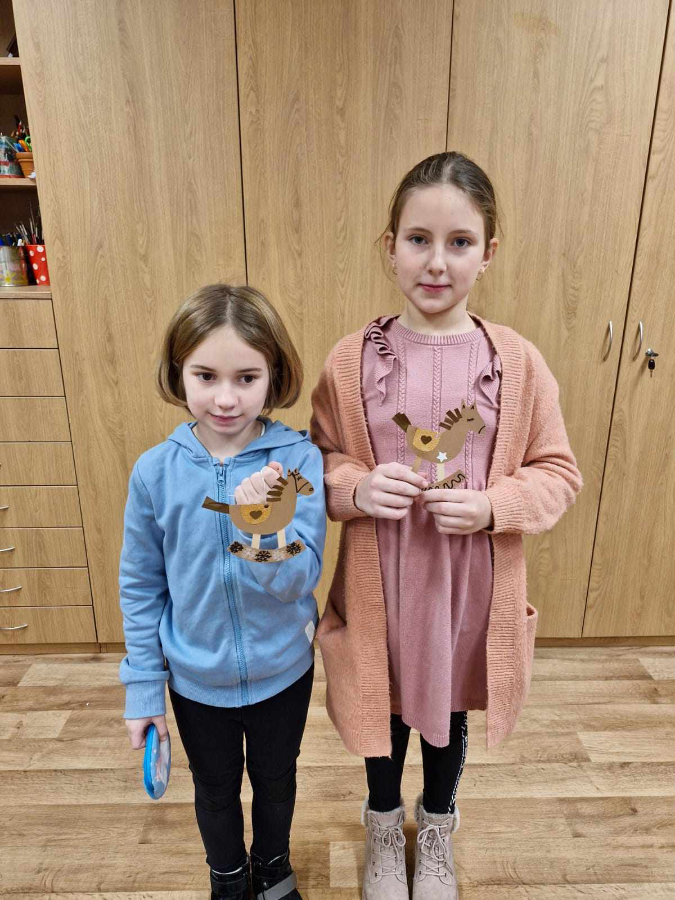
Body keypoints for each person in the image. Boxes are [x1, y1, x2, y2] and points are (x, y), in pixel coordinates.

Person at [310, 152, 583, 899]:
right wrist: (359, 488)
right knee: (381, 707)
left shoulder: (517, 363)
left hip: (467, 592)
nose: (436, 261)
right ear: (389, 245)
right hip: (381, 587)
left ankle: (435, 829)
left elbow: (557, 472)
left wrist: (495, 506)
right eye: (418, 239)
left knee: (447, 711)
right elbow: (316, 462)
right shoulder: (349, 361)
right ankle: (380, 825)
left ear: (487, 252)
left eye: (458, 242)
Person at [119, 284, 326, 900]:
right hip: (195, 678)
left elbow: (299, 579)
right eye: (206, 376)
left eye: (247, 377)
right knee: (213, 790)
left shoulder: (297, 461)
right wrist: (143, 686)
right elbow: (141, 585)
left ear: (274, 376)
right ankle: (228, 877)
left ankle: (272, 866)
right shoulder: (154, 471)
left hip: (283, 670)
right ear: (178, 372)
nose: (226, 398)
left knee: (276, 781)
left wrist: (262, 527)